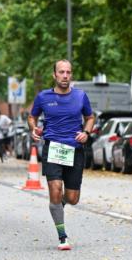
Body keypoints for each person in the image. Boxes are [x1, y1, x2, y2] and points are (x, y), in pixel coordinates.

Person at [29, 59, 94, 250]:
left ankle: (59, 204)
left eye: (68, 72)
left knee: (73, 198)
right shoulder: (43, 97)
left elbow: (89, 117)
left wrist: (86, 133)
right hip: (53, 148)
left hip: (75, 150)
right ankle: (62, 236)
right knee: (55, 188)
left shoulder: (81, 96)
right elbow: (32, 116)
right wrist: (34, 128)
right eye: (61, 72)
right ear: (54, 75)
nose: (65, 76)